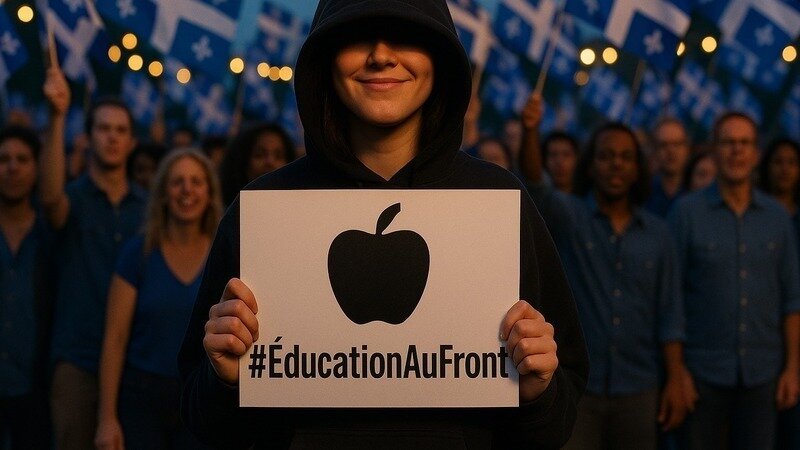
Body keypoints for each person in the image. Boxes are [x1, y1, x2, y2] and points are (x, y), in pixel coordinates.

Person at [178, 0, 588, 448]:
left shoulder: (500, 203)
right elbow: (200, 416)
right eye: (357, 36)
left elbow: (558, 417)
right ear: (325, 59)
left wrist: (538, 392)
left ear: (440, 57)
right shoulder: (263, 211)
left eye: (407, 35)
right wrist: (224, 379)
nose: (381, 55)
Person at [520, 118, 692, 450]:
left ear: (637, 168)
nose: (616, 164)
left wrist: (675, 379)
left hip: (640, 387)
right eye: (606, 155)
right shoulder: (571, 218)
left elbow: (670, 315)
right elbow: (535, 184)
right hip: (579, 387)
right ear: (590, 164)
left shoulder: (659, 234)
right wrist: (530, 130)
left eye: (626, 157)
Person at [670, 112, 800, 450]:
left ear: (756, 153)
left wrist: (793, 368)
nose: (736, 151)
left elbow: (792, 299)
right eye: (728, 142)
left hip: (763, 375)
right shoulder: (686, 213)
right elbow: (671, 299)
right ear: (714, 150)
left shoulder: (777, 217)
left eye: (744, 143)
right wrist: (677, 372)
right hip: (702, 374)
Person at [40, 66, 147, 450]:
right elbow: (49, 199)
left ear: (132, 142)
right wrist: (57, 117)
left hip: (134, 360)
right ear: (88, 138)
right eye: (103, 129)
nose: (112, 137)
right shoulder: (73, 198)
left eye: (120, 130)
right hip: (78, 358)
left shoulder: (147, 208)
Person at [95, 149, 221, 450]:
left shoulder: (223, 254)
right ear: (163, 193)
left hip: (202, 395)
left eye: (196, 181)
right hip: (142, 398)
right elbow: (115, 339)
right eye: (177, 182)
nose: (187, 190)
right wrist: (106, 418)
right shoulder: (137, 253)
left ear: (209, 194)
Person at [0, 126, 53, 450]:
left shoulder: (51, 234)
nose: (12, 167)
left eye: (22, 159)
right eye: (4, 159)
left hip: (34, 388)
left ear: (36, 167)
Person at [758, 137, 800, 450]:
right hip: (764, 335)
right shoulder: (758, 217)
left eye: (792, 163)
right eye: (778, 162)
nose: (785, 170)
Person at [219, 122, 296, 206]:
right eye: (259, 155)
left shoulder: (300, 209)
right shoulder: (225, 211)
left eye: (278, 156)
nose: (270, 162)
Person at [645, 118, 692, 218]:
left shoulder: (696, 190)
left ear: (687, 149)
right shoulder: (643, 193)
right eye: (663, 145)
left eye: (677, 144)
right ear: (654, 150)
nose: (671, 151)